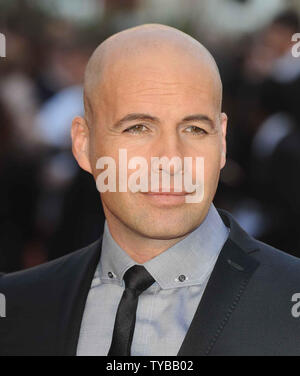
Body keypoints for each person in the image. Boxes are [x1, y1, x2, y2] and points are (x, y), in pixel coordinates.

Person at [1, 24, 300, 356]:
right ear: (83, 144)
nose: (171, 160)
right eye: (138, 128)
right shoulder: (17, 307)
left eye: (195, 128)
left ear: (222, 141)